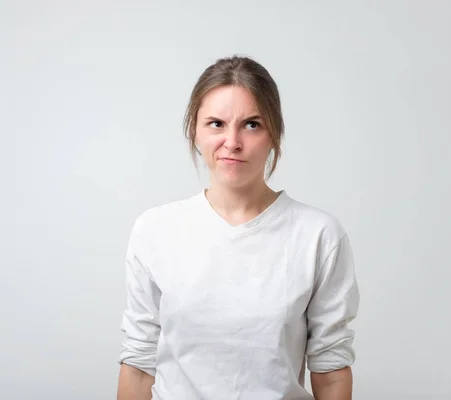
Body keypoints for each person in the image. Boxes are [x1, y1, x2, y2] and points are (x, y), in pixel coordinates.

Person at [116, 55, 360, 400]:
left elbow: (330, 368)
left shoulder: (318, 236)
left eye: (251, 124)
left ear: (274, 134)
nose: (232, 141)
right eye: (216, 123)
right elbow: (139, 364)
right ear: (194, 131)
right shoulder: (155, 230)